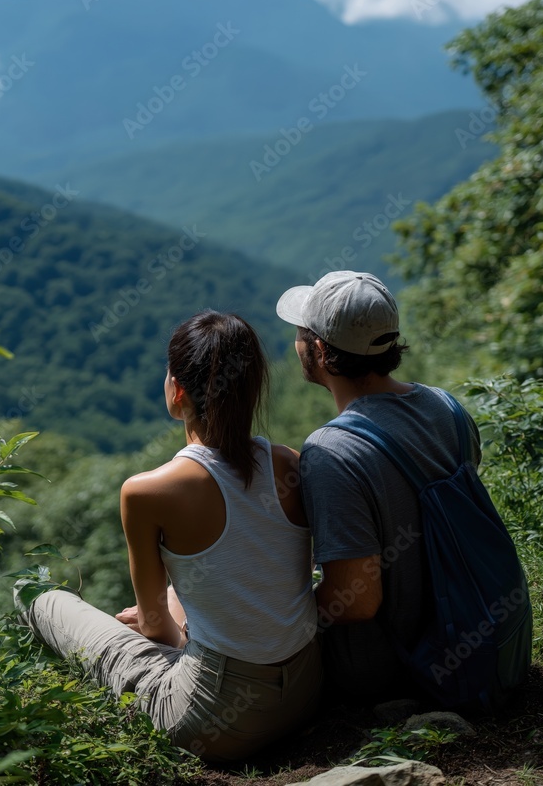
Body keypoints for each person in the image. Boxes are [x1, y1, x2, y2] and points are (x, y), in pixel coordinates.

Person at [17, 309, 321, 760]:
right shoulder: (292, 463)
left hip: (217, 721)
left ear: (177, 392)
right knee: (187, 587)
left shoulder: (147, 491)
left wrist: (165, 625)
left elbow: (155, 628)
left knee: (35, 596)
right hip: (306, 692)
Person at [275, 270, 484, 702]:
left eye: (300, 331)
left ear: (317, 349)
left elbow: (356, 602)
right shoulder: (448, 408)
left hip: (392, 669)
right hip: (471, 631)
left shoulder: (331, 452)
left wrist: (272, 611)